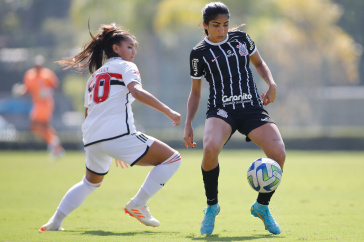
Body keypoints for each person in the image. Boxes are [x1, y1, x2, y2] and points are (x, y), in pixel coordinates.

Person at [39, 23, 182, 232]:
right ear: (116, 48)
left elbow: (89, 112)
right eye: (130, 47)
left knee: (89, 183)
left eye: (135, 48)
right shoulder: (126, 67)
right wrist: (169, 111)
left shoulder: (94, 76)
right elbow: (137, 92)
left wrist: (110, 145)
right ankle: (138, 204)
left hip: (92, 137)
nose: (134, 52)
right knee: (172, 159)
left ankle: (55, 222)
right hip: (116, 135)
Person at [184, 2, 286, 235]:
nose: (222, 30)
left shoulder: (242, 38)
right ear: (205, 26)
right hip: (221, 110)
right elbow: (196, 92)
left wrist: (271, 83)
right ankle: (212, 206)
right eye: (216, 25)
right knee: (209, 148)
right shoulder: (198, 53)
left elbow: (259, 63)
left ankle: (261, 206)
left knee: (278, 154)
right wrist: (188, 124)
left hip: (251, 107)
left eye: (226, 25)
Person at [14, 55, 64, 158]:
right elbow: (27, 90)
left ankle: (54, 144)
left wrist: (47, 91)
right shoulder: (29, 75)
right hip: (37, 103)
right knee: (44, 126)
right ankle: (55, 145)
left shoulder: (47, 74)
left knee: (35, 125)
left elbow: (55, 87)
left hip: (45, 103)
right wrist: (20, 91)